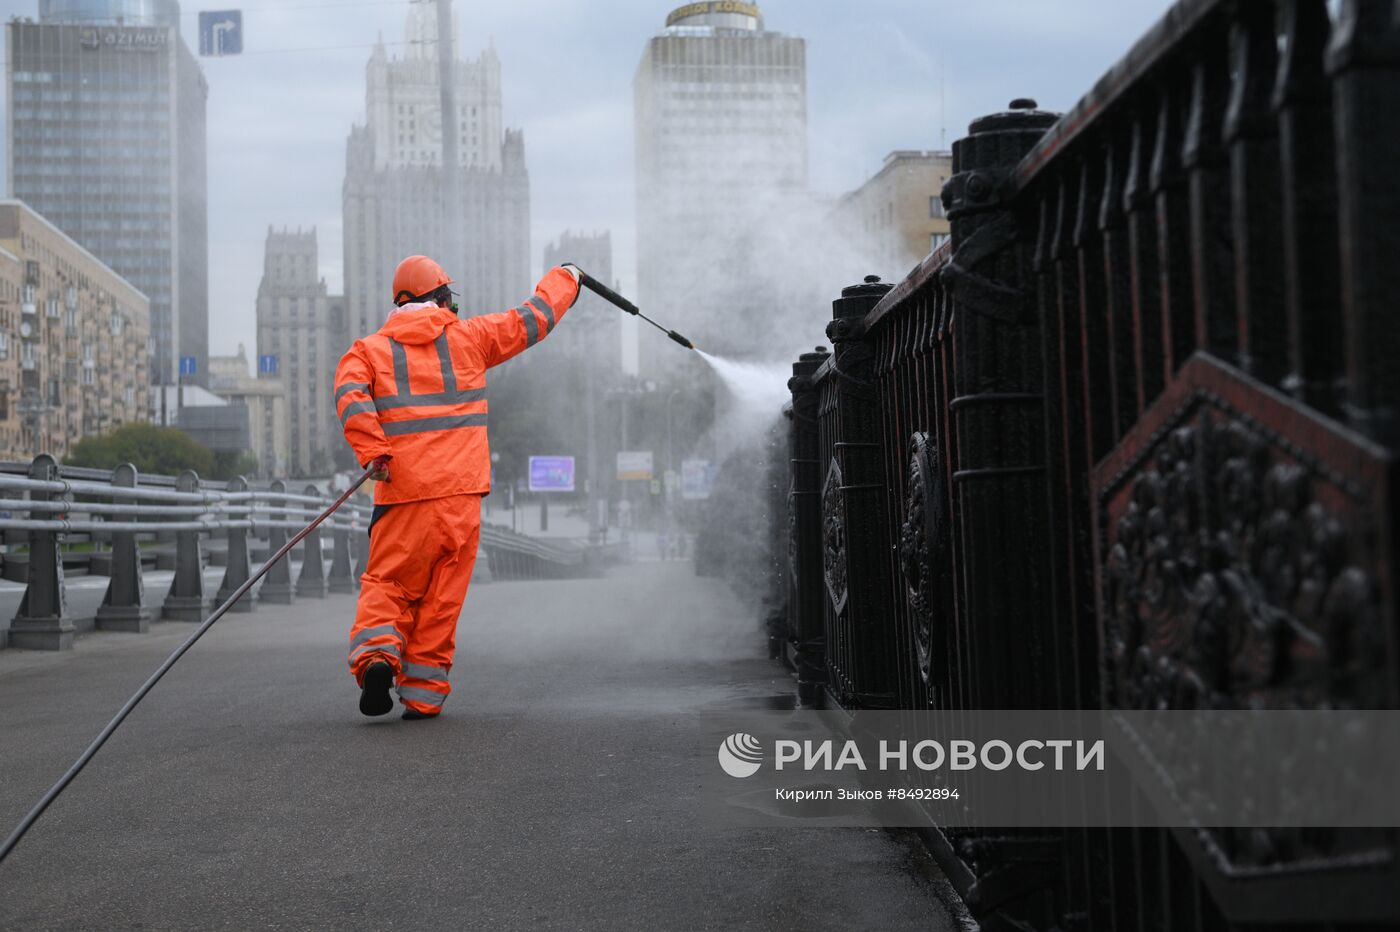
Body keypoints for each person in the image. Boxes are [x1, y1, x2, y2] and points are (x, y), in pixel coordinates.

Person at [334, 254, 581, 719]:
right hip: (461, 501)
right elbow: (533, 319)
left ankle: (376, 660)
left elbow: (349, 394)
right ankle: (423, 698)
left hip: (403, 496)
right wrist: (567, 277)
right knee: (441, 599)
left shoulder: (367, 350)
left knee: (389, 584)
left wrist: (375, 451)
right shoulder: (471, 338)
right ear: (443, 299)